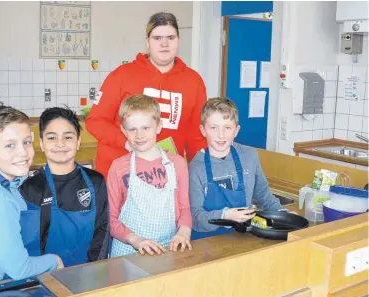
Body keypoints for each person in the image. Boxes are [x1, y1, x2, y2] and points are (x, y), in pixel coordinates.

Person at [85, 12, 207, 179]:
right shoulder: (121, 76)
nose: (164, 44)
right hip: (120, 176)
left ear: (179, 40)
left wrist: (199, 176)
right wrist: (127, 142)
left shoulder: (194, 81)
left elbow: (196, 136)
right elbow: (95, 121)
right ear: (147, 42)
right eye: (157, 38)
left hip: (165, 177)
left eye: (170, 37)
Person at [0, 106, 62, 289]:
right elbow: (19, 269)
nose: (23, 152)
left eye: (27, 142)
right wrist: (54, 261)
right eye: (10, 145)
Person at [20, 107, 110, 267]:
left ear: (78, 142)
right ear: (41, 143)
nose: (60, 144)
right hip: (46, 278)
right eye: (52, 138)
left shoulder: (96, 181)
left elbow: (102, 234)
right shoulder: (31, 188)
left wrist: (94, 271)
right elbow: (29, 245)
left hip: (88, 274)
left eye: (68, 137)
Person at [189, 97, 288, 240]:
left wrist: (283, 214)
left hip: (242, 237)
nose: (221, 135)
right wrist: (225, 215)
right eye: (213, 128)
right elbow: (196, 218)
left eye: (227, 127)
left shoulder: (249, 156)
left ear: (236, 130)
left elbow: (263, 195)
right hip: (206, 242)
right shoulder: (196, 167)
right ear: (203, 130)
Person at [107, 95, 192, 257]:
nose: (139, 135)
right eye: (132, 129)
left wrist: (184, 232)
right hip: (128, 251)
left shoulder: (177, 164)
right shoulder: (118, 167)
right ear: (124, 130)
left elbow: (184, 208)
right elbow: (111, 218)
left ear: (159, 126)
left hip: (168, 249)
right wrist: (134, 240)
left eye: (146, 128)